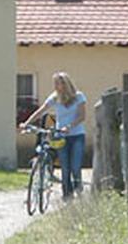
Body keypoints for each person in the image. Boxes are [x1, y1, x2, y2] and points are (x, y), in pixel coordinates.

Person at [19, 72, 87, 200]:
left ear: (65, 84)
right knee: (65, 167)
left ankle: (78, 189)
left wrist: (69, 126)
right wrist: (27, 123)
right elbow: (41, 111)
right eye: (54, 83)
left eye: (58, 83)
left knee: (75, 166)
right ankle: (67, 195)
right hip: (60, 136)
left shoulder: (79, 97)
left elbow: (82, 116)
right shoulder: (55, 98)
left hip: (76, 135)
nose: (55, 86)